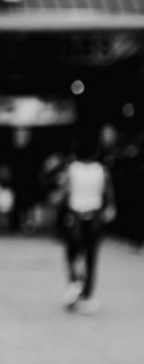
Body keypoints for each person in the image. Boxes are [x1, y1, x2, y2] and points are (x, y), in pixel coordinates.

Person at [56, 132, 117, 314]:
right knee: (91, 256)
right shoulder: (102, 170)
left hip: (75, 216)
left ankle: (75, 284)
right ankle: (87, 295)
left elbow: (64, 194)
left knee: (72, 253)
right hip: (95, 216)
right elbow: (109, 196)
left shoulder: (71, 169)